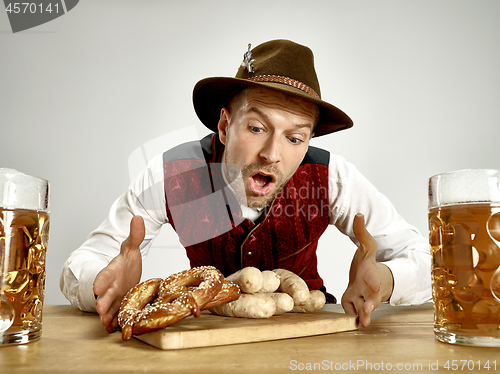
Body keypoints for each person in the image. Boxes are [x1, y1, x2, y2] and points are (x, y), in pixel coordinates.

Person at [60, 39, 431, 333]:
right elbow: (82, 264)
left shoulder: (332, 177)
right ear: (224, 126)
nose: (272, 154)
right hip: (205, 337)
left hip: (310, 335)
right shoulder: (173, 174)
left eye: (295, 138)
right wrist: (103, 285)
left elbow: (426, 259)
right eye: (256, 128)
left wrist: (388, 278)